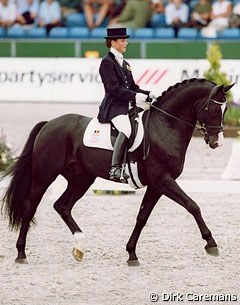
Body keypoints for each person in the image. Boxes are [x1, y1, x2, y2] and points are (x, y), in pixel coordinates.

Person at [97, 27, 156, 183]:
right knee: (126, 128)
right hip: (114, 107)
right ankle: (115, 168)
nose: (126, 43)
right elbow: (114, 89)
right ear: (113, 42)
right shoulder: (106, 62)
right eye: (123, 40)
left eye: (125, 40)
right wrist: (137, 96)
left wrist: (148, 94)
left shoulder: (125, 63)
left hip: (127, 105)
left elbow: (132, 87)